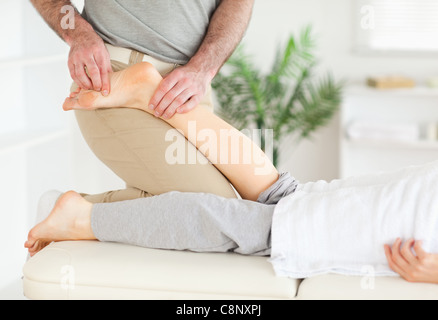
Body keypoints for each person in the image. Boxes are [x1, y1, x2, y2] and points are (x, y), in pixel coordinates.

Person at [26, 63, 438, 285]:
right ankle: (82, 218)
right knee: (240, 222)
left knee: (289, 198)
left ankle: (151, 92)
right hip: (413, 226)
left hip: (416, 195)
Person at [30, 0, 255, 204]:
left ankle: (74, 210)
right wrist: (76, 32)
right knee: (218, 206)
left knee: (250, 196)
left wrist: (205, 67)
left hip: (189, 89)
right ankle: (71, 213)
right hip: (114, 73)